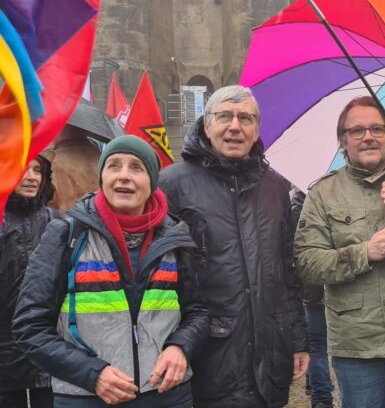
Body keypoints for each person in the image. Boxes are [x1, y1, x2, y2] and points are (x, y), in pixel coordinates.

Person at [12, 135, 208, 407]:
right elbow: (29, 326)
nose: (124, 175)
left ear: (152, 181)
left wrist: (180, 347)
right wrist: (93, 374)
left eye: (136, 167)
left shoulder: (176, 237)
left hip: (166, 396)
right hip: (86, 398)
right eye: (114, 166)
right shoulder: (65, 235)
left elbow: (198, 311)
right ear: (102, 177)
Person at [159, 85, 308, 408]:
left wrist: (297, 339)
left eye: (246, 118)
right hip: (208, 353)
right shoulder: (172, 184)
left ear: (256, 130)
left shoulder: (275, 188)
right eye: (224, 116)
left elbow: (287, 270)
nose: (235, 127)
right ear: (207, 125)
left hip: (269, 350)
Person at [294, 95, 385, 408]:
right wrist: (365, 252)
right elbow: (307, 262)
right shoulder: (323, 193)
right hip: (358, 343)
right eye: (357, 130)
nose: (368, 137)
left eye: (377, 129)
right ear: (343, 141)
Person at [1, 156, 62, 408]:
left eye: (37, 170)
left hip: (49, 349)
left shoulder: (59, 222)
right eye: (22, 169)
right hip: (4, 354)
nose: (31, 177)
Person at [291, 188, 334, 408]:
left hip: (311, 289)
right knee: (324, 345)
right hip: (330, 286)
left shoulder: (297, 205)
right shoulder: (336, 196)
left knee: (317, 346)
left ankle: (321, 398)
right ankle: (321, 393)